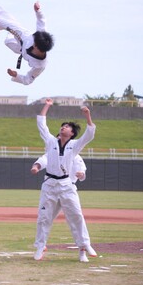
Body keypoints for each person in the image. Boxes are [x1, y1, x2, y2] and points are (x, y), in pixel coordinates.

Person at [33, 98, 97, 262]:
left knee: (76, 215)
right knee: (44, 217)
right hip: (49, 185)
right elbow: (41, 124)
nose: (63, 127)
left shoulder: (75, 145)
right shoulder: (50, 141)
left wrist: (87, 115)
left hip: (66, 185)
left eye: (67, 127)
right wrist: (47, 106)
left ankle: (84, 246)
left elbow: (89, 135)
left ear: (72, 133)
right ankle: (40, 246)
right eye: (63, 125)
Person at [31, 154, 97, 262]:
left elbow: (81, 168)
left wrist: (81, 174)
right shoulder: (52, 152)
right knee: (43, 218)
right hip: (50, 189)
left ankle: (83, 248)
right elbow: (42, 161)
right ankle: (40, 246)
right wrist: (36, 167)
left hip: (68, 188)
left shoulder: (74, 153)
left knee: (77, 217)